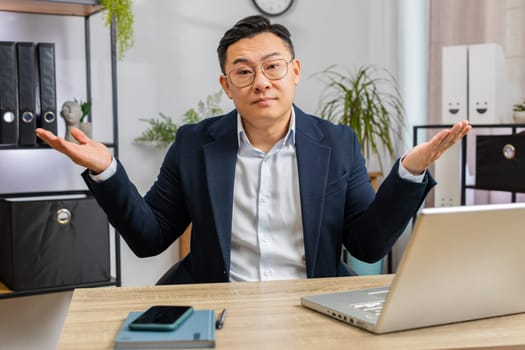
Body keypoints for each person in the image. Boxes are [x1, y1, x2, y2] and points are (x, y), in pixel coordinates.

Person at [36, 15, 471, 284]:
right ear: (226, 86)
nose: (261, 81)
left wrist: (409, 172)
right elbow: (150, 239)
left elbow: (367, 245)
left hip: (312, 301)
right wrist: (108, 171)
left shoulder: (338, 144)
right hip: (220, 306)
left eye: (273, 67)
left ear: (294, 71)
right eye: (243, 71)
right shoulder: (194, 143)